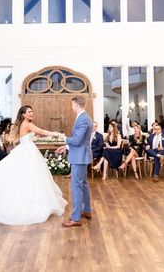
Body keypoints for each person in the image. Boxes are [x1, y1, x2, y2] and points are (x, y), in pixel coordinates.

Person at [0, 105, 67, 225]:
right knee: (29, 176)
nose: (32, 113)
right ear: (23, 114)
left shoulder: (23, 124)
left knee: (24, 176)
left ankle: (26, 199)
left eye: (32, 111)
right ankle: (26, 202)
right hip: (27, 151)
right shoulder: (27, 123)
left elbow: (25, 137)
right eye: (29, 112)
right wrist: (58, 134)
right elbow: (41, 131)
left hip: (26, 149)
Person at [56, 95, 92, 228]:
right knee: (83, 184)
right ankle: (86, 210)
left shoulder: (83, 119)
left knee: (76, 186)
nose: (71, 107)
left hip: (80, 157)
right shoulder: (84, 117)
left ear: (76, 105)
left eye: (72, 105)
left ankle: (76, 218)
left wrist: (64, 138)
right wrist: (65, 147)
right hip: (81, 155)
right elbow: (79, 140)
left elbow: (76, 140)